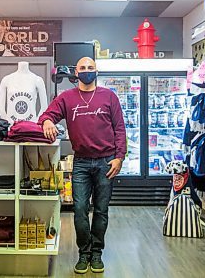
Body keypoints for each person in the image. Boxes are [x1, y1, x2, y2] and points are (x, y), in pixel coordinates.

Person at [38, 57, 126, 274]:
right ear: (75, 73)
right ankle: (83, 253)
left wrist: (119, 157)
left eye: (90, 68)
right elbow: (47, 115)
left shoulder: (109, 97)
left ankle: (97, 253)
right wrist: (48, 121)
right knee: (79, 210)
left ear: (97, 71)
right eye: (82, 68)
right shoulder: (67, 97)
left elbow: (120, 129)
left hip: (107, 161)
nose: (87, 71)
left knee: (101, 210)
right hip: (81, 163)